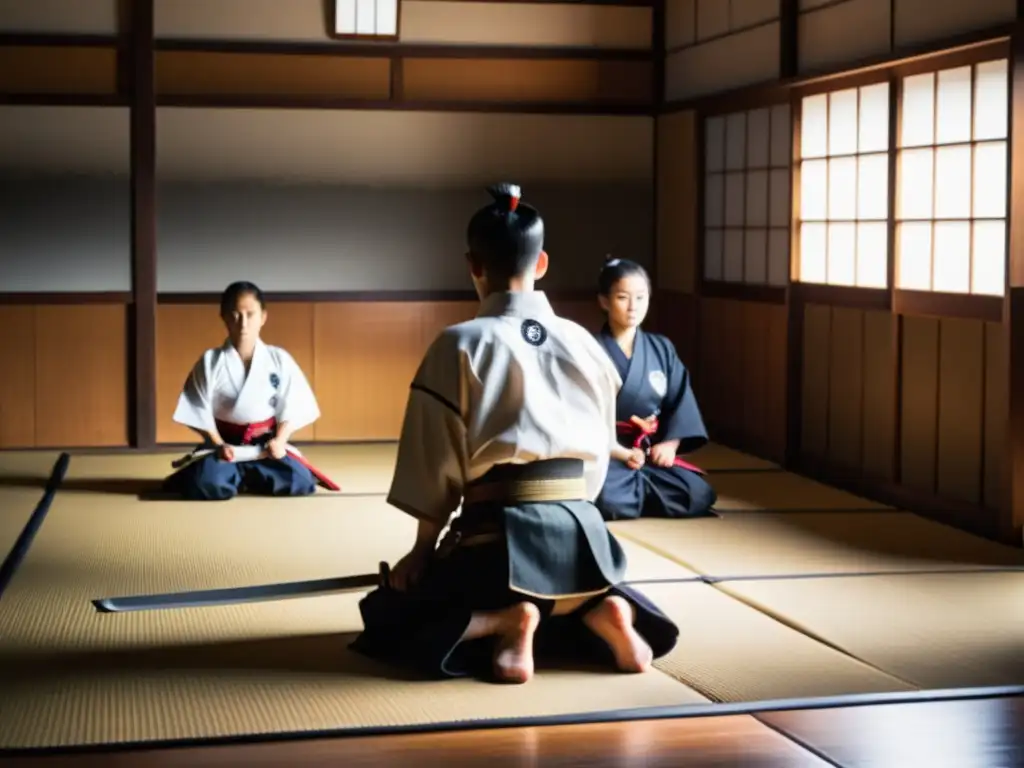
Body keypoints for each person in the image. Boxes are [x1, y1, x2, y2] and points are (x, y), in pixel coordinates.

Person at [349, 184, 679, 685]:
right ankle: (601, 609)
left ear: (473, 265)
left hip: (497, 541)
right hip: (585, 537)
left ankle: (505, 620)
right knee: (569, 593)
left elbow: (434, 462)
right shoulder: (585, 344)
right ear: (542, 263)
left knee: (389, 614)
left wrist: (423, 549)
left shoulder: (458, 344)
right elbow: (595, 452)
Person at [163, 281, 339, 500]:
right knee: (205, 483)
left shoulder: (278, 359)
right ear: (224, 317)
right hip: (225, 447)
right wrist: (218, 444)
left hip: (266, 447)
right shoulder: (210, 361)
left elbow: (294, 404)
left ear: (263, 317)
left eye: (250, 314)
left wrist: (280, 441)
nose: (243, 323)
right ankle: (238, 475)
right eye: (236, 315)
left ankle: (237, 478)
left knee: (299, 482)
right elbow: (197, 408)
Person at [593, 258, 717, 521]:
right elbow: (581, 416)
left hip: (647, 454)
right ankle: (642, 492)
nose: (632, 307)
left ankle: (636, 491)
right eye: (623, 297)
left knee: (698, 493)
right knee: (604, 494)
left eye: (640, 297)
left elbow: (680, 401)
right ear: (604, 301)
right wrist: (621, 452)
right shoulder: (590, 350)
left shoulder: (661, 349)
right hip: (607, 453)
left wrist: (670, 445)